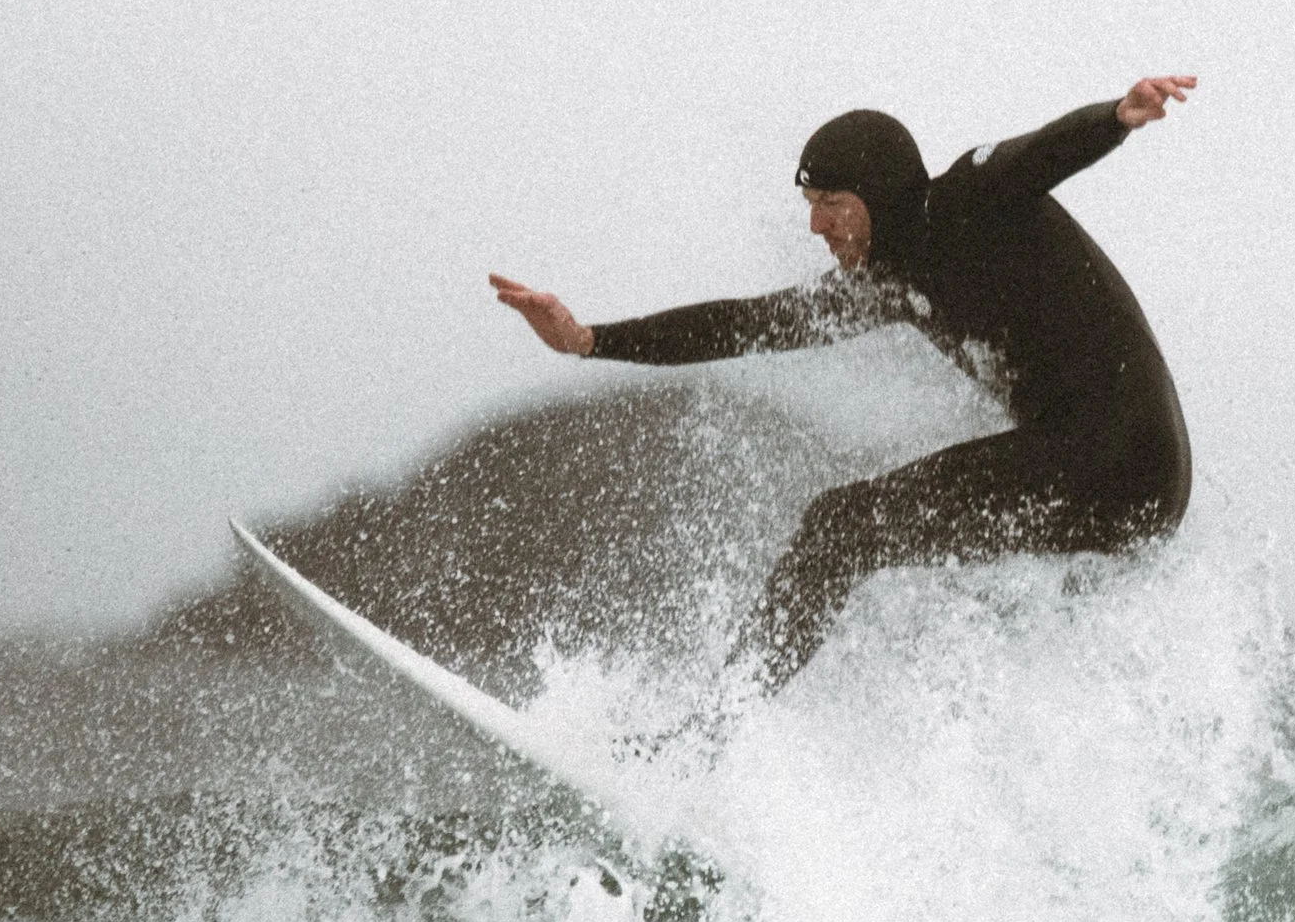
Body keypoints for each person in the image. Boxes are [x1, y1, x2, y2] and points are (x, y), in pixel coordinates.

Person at [491, 74, 1196, 685]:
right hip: (1134, 484)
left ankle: (714, 731)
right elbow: (744, 325)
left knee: (841, 527)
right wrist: (588, 340)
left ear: (877, 195)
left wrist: (1116, 116)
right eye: (811, 202)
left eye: (831, 200)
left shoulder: (967, 200)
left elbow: (1036, 154)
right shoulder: (885, 283)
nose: (814, 224)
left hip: (1113, 450)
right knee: (942, 587)